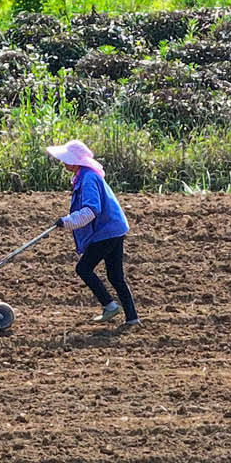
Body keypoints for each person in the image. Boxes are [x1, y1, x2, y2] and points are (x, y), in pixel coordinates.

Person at [47, 138, 138, 329]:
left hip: (107, 230)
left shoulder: (88, 178)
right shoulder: (85, 175)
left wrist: (67, 222)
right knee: (115, 276)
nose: (63, 162)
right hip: (114, 228)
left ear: (75, 161)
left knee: (84, 269)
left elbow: (91, 210)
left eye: (66, 159)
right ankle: (132, 317)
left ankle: (110, 305)